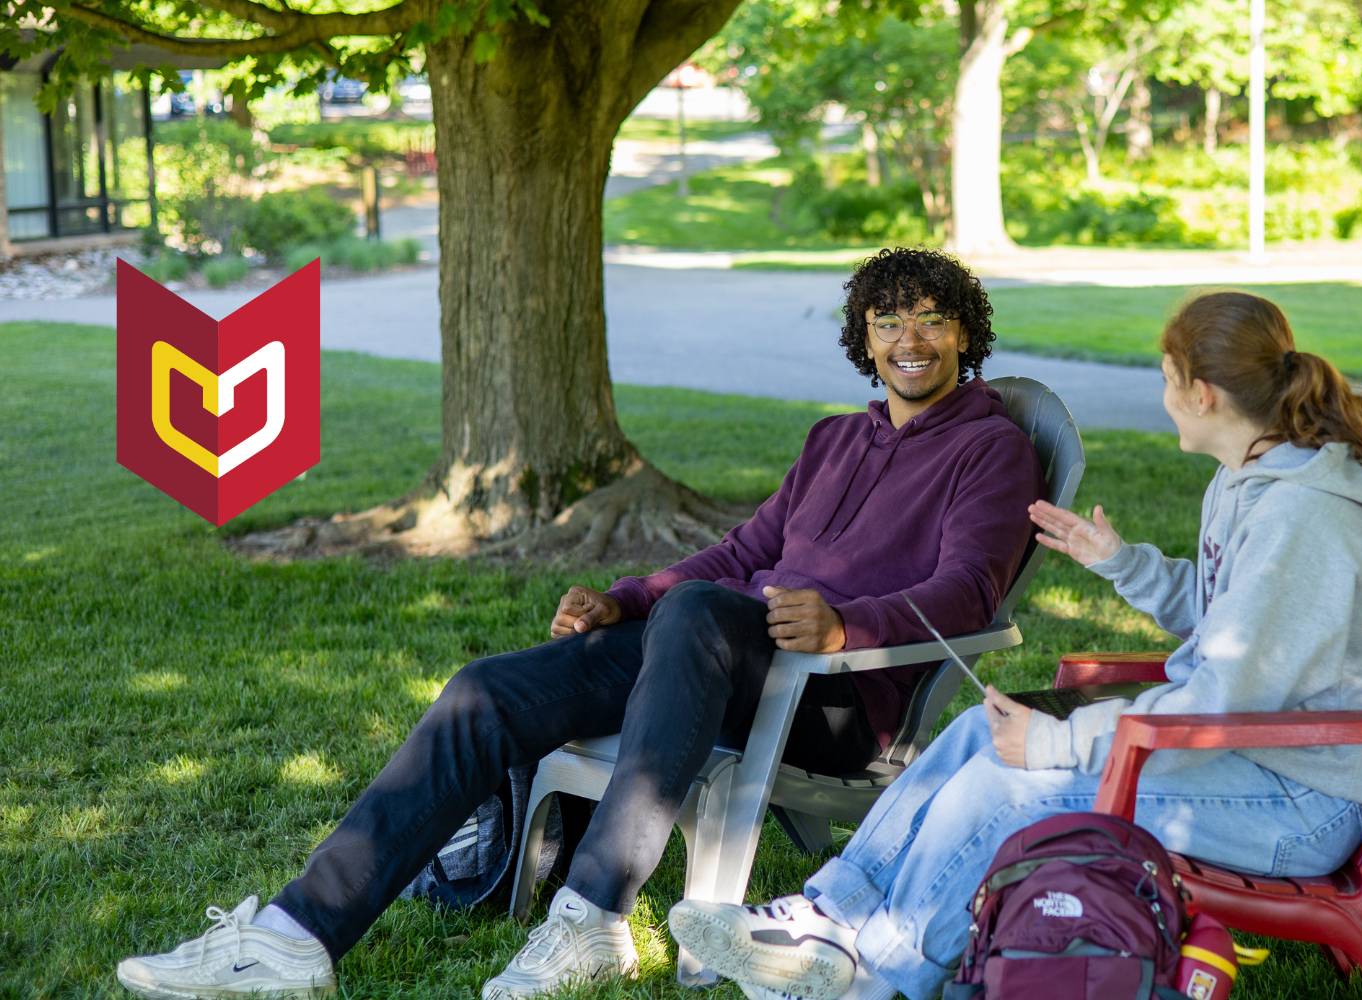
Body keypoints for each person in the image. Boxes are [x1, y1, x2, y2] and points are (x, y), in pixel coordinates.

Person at [113, 248, 1043, 1000]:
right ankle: (293, 937)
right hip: (717, 651)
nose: (909, 339)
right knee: (490, 690)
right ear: (864, 339)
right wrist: (628, 597)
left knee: (703, 613)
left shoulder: (991, 448)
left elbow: (966, 591)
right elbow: (739, 551)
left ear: (966, 332)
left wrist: (844, 624)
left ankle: (594, 915)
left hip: (836, 701)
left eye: (930, 317)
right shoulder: (835, 438)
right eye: (888, 320)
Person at [668, 291, 1362, 1000]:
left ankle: (878, 969)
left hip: (1300, 797)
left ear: (1203, 394)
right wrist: (1119, 561)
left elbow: (1222, 694)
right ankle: (828, 918)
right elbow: (1223, 615)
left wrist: (1062, 743)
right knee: (977, 733)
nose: (1163, 399)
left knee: (1020, 787)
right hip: (1251, 749)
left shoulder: (1303, 517)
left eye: (1168, 381)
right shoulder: (1250, 477)